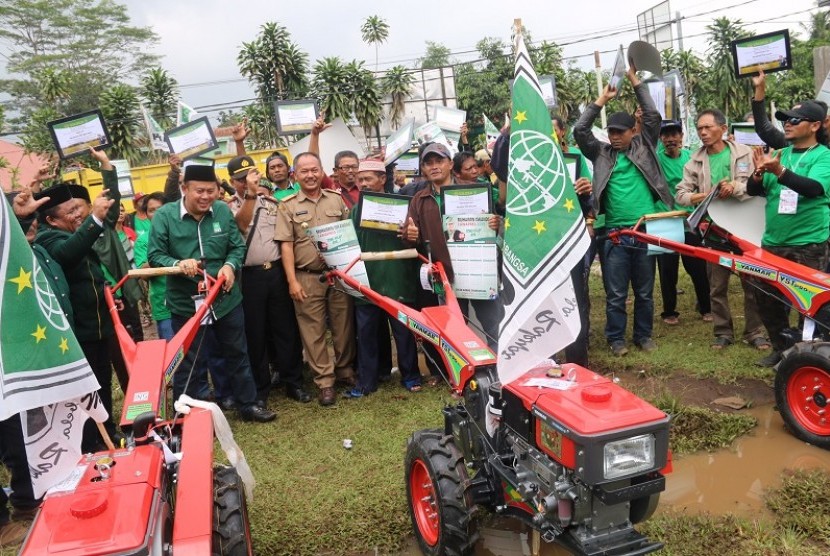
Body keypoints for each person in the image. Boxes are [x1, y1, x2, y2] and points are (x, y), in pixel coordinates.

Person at [147, 163, 276, 422]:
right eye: (199, 191)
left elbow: (236, 247)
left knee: (238, 352)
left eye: (211, 191)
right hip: (186, 305)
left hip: (225, 299)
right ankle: (185, 414)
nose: (206, 197)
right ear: (184, 189)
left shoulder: (220, 211)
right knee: (189, 360)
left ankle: (248, 405)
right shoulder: (165, 216)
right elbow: (155, 255)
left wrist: (230, 266)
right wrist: (176, 264)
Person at [573, 62, 674, 356]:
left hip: (644, 231)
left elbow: (653, 115)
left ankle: (643, 336)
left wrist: (634, 79)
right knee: (615, 293)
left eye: (620, 131)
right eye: (611, 132)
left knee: (644, 291)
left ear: (633, 131)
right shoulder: (601, 152)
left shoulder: (645, 145)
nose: (615, 136)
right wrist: (601, 100)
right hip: (614, 235)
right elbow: (580, 130)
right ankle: (615, 339)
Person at [34, 147, 121, 449]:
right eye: (71, 212)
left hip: (99, 325)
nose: (80, 215)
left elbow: (106, 208)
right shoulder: (49, 239)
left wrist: (107, 168)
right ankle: (89, 440)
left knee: (102, 382)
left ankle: (107, 430)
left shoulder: (82, 229)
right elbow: (70, 253)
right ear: (51, 220)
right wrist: (93, 219)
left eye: (82, 208)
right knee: (86, 388)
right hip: (77, 331)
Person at [675, 109, 770, 352]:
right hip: (715, 231)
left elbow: (759, 187)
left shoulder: (745, 153)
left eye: (708, 127)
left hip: (746, 229)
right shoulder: (694, 161)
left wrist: (736, 186)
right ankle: (722, 332)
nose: (703, 132)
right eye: (699, 129)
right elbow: (681, 195)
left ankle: (755, 332)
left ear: (723, 128)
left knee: (753, 282)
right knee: (717, 285)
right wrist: (705, 195)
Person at [747, 100, 830, 367]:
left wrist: (779, 171)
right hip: (772, 243)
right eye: (786, 119)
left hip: (808, 244)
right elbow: (755, 190)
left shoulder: (823, 156)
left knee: (809, 303)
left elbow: (813, 188)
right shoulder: (781, 152)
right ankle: (781, 347)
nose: (787, 123)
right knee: (766, 298)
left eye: (795, 120)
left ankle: (807, 355)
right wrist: (759, 175)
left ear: (815, 126)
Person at [402, 143, 504, 352]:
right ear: (422, 169)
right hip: (446, 276)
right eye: (428, 163)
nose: (434, 167)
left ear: (450, 164)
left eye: (439, 161)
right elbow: (411, 237)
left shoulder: (473, 191)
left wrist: (495, 224)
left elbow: (493, 224)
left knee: (493, 324)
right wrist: (410, 236)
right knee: (455, 328)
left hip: (478, 272)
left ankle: (499, 367)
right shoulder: (419, 201)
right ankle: (465, 372)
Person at [227, 155, 310, 405]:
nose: (246, 183)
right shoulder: (228, 206)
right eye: (240, 180)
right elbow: (240, 226)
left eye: (249, 177)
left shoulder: (273, 203)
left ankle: (293, 382)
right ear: (233, 182)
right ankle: (261, 388)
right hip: (250, 277)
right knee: (256, 333)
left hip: (275, 273)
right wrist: (250, 195)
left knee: (285, 330)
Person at [275, 152, 356, 406]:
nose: (310, 175)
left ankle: (344, 371)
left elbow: (348, 234)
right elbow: (286, 246)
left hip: (338, 274)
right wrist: (292, 281)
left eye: (314, 170)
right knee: (313, 330)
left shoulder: (336, 199)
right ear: (295, 175)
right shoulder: (287, 205)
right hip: (306, 277)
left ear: (322, 172)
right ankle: (325, 381)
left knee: (343, 326)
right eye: (304, 171)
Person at [345, 158, 422, 397]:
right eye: (360, 180)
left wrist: (410, 233)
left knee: (402, 331)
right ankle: (367, 381)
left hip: (398, 277)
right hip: (368, 280)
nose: (363, 183)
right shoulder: (356, 210)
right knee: (366, 332)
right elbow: (351, 243)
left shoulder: (403, 206)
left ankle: (411, 376)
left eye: (368, 178)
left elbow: (415, 238)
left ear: (382, 179)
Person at [655, 120, 711, 325]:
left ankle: (706, 307)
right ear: (661, 138)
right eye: (666, 135)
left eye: (674, 134)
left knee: (697, 265)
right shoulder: (655, 159)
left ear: (681, 136)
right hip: (663, 219)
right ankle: (669, 311)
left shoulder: (691, 158)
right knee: (667, 269)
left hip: (690, 219)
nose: (670, 139)